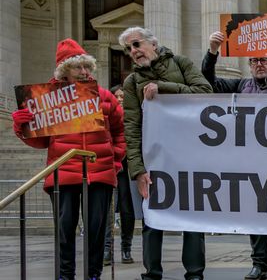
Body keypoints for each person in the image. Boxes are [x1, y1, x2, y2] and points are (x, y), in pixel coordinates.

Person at [12, 38, 125, 280]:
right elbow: (40, 142)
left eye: (87, 67)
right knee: (64, 230)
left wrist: (115, 160)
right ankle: (65, 276)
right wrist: (23, 127)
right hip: (62, 172)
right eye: (78, 67)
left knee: (96, 230)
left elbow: (119, 131)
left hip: (100, 170)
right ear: (65, 71)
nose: (85, 72)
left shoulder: (105, 97)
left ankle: (93, 275)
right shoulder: (47, 101)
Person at [201, 31, 267, 280]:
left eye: (265, 60)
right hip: (251, 162)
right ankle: (259, 263)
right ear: (249, 65)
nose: (259, 64)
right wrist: (213, 51)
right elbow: (208, 81)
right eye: (254, 60)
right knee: (255, 214)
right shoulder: (241, 86)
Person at [119, 27, 213, 280]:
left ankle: (194, 273)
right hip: (155, 159)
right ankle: (152, 272)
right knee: (152, 218)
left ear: (153, 43)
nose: (134, 51)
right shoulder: (131, 83)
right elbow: (132, 126)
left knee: (192, 217)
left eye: (137, 44)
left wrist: (163, 87)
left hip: (190, 155)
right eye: (129, 49)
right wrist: (137, 170)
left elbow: (205, 93)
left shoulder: (181, 63)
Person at [103, 85, 138, 266]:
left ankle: (126, 248)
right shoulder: (106, 115)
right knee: (107, 208)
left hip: (127, 167)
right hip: (110, 163)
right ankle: (107, 249)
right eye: (117, 96)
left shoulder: (134, 114)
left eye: (123, 95)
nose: (120, 98)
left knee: (127, 208)